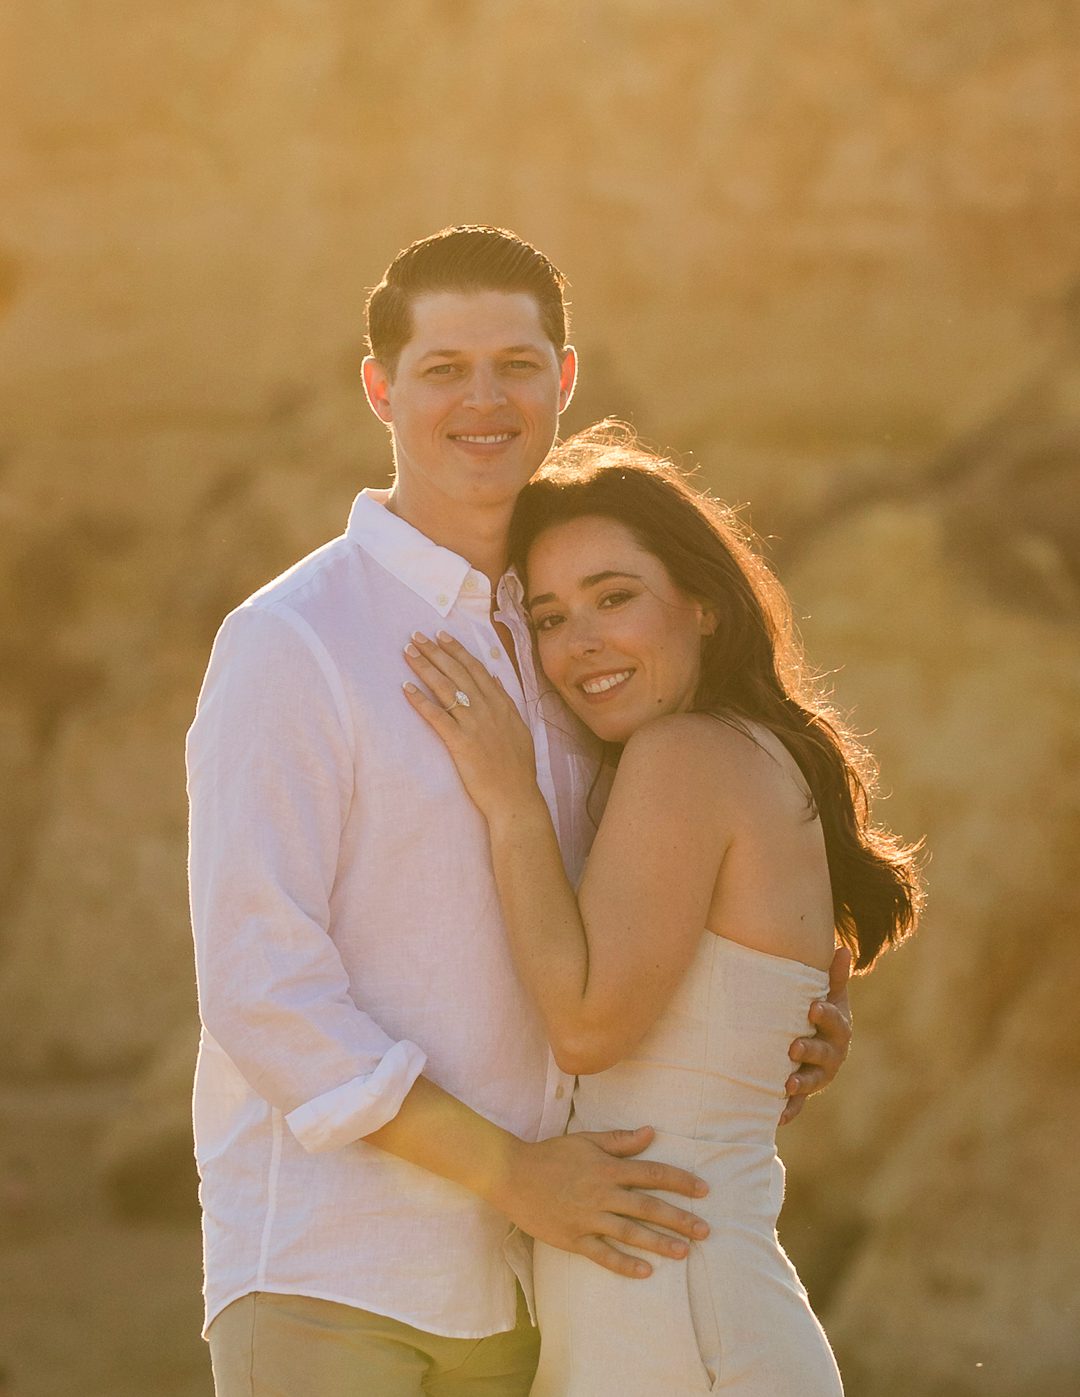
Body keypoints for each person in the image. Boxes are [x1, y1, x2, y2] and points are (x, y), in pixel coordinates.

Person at [187, 227, 853, 1397]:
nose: (484, 399)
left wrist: (767, 1019)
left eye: (517, 363)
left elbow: (648, 899)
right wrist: (511, 1171)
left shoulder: (574, 654)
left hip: (535, 1289)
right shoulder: (293, 640)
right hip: (341, 1275)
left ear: (566, 380)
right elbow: (261, 984)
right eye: (444, 367)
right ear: (379, 389)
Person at [402, 424, 923, 1395]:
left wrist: (512, 801)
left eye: (614, 596)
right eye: (549, 616)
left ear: (703, 604)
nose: (581, 641)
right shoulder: (747, 753)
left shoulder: (683, 756)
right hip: (683, 1299)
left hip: (671, 1308)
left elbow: (591, 1025)